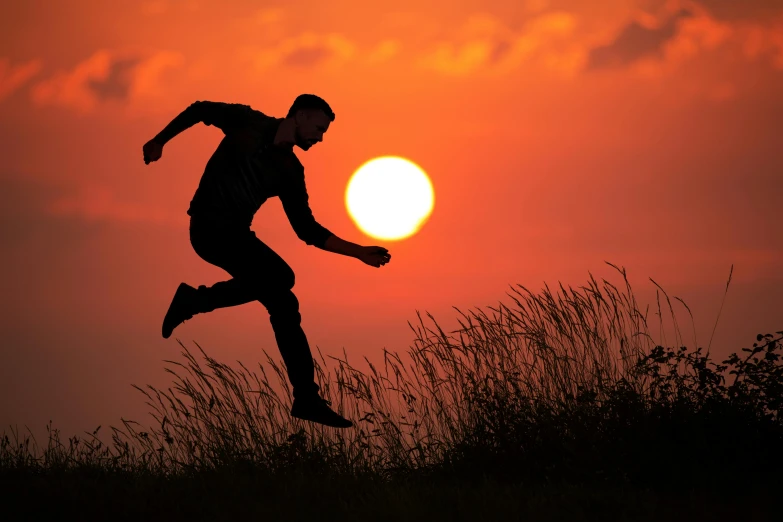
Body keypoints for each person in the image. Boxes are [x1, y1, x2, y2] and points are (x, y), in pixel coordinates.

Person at [142, 94, 391, 429]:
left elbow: (307, 229)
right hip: (208, 228)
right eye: (318, 128)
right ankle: (195, 301)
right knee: (281, 276)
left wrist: (359, 252)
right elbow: (199, 109)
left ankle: (306, 398)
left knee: (284, 302)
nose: (319, 138)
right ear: (300, 116)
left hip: (238, 236)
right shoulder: (248, 122)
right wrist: (160, 140)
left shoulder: (290, 170)